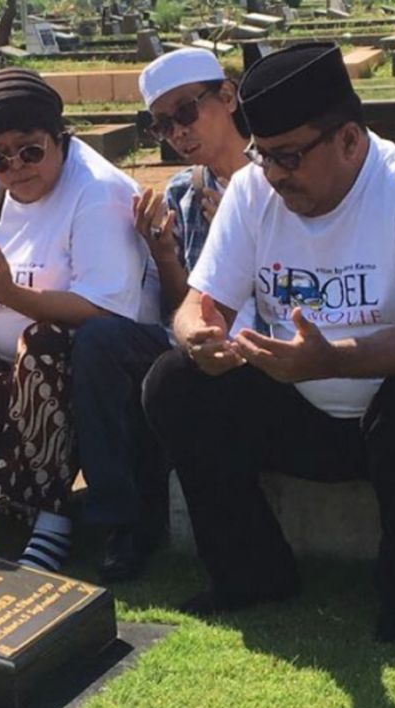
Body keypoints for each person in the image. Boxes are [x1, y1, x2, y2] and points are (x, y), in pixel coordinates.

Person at [142, 44, 395, 641]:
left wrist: (329, 359)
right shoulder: (255, 191)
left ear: (349, 139)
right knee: (175, 381)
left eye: (289, 157)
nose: (275, 175)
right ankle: (250, 572)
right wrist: (199, 337)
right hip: (309, 415)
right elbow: (198, 304)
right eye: (264, 156)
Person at [0, 67, 157, 573]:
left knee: (48, 342)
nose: (16, 168)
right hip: (14, 355)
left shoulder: (96, 191)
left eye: (30, 150)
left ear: (58, 138)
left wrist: (5, 293)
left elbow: (102, 310)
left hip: (108, 354)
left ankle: (60, 517)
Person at [68, 48, 257, 583]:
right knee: (101, 340)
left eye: (186, 114)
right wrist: (164, 253)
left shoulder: (278, 174)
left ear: (226, 97)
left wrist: (250, 232)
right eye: (162, 125)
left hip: (271, 340)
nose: (177, 133)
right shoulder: (183, 189)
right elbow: (185, 306)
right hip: (202, 338)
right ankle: (121, 521)